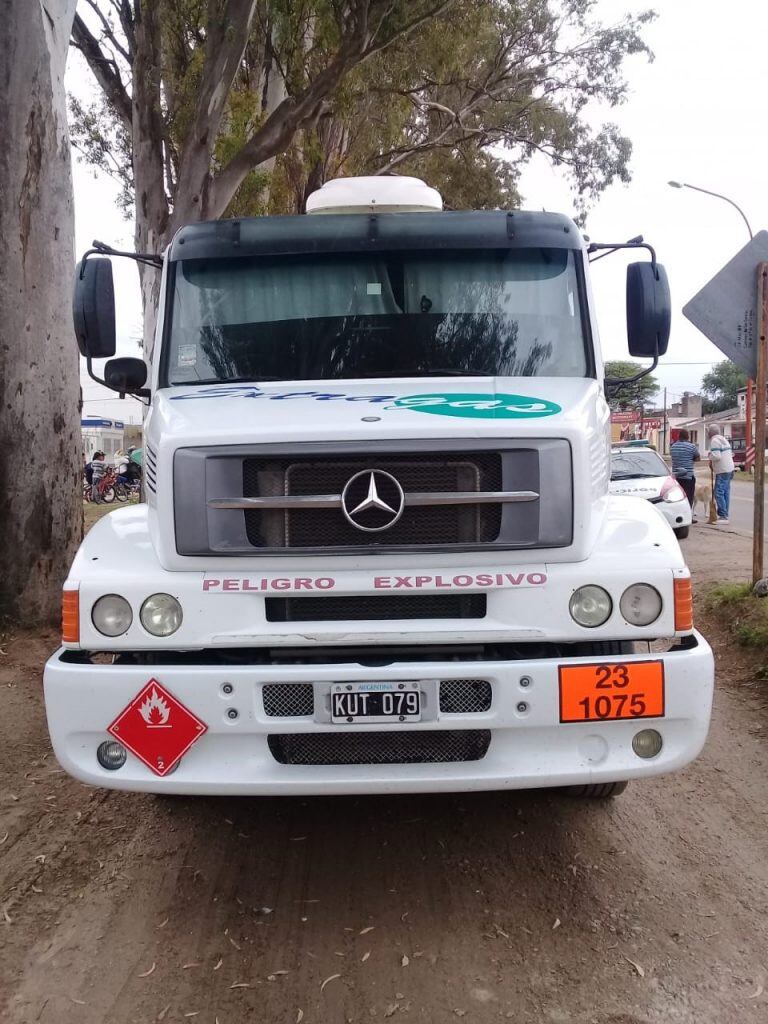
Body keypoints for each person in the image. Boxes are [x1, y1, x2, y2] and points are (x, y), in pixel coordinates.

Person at [707, 423, 734, 524]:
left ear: (710, 432)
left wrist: (710, 456)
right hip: (729, 469)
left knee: (718, 492)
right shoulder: (723, 439)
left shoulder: (714, 440)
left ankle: (723, 516)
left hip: (722, 470)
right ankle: (725, 514)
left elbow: (717, 456)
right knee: (725, 492)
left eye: (708, 431)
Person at [670, 429, 699, 520]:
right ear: (688, 437)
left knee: (677, 497)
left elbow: (673, 458)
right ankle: (688, 516)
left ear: (679, 436)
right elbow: (698, 458)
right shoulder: (691, 447)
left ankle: (677, 515)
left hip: (676, 477)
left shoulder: (673, 447)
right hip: (688, 476)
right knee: (688, 497)